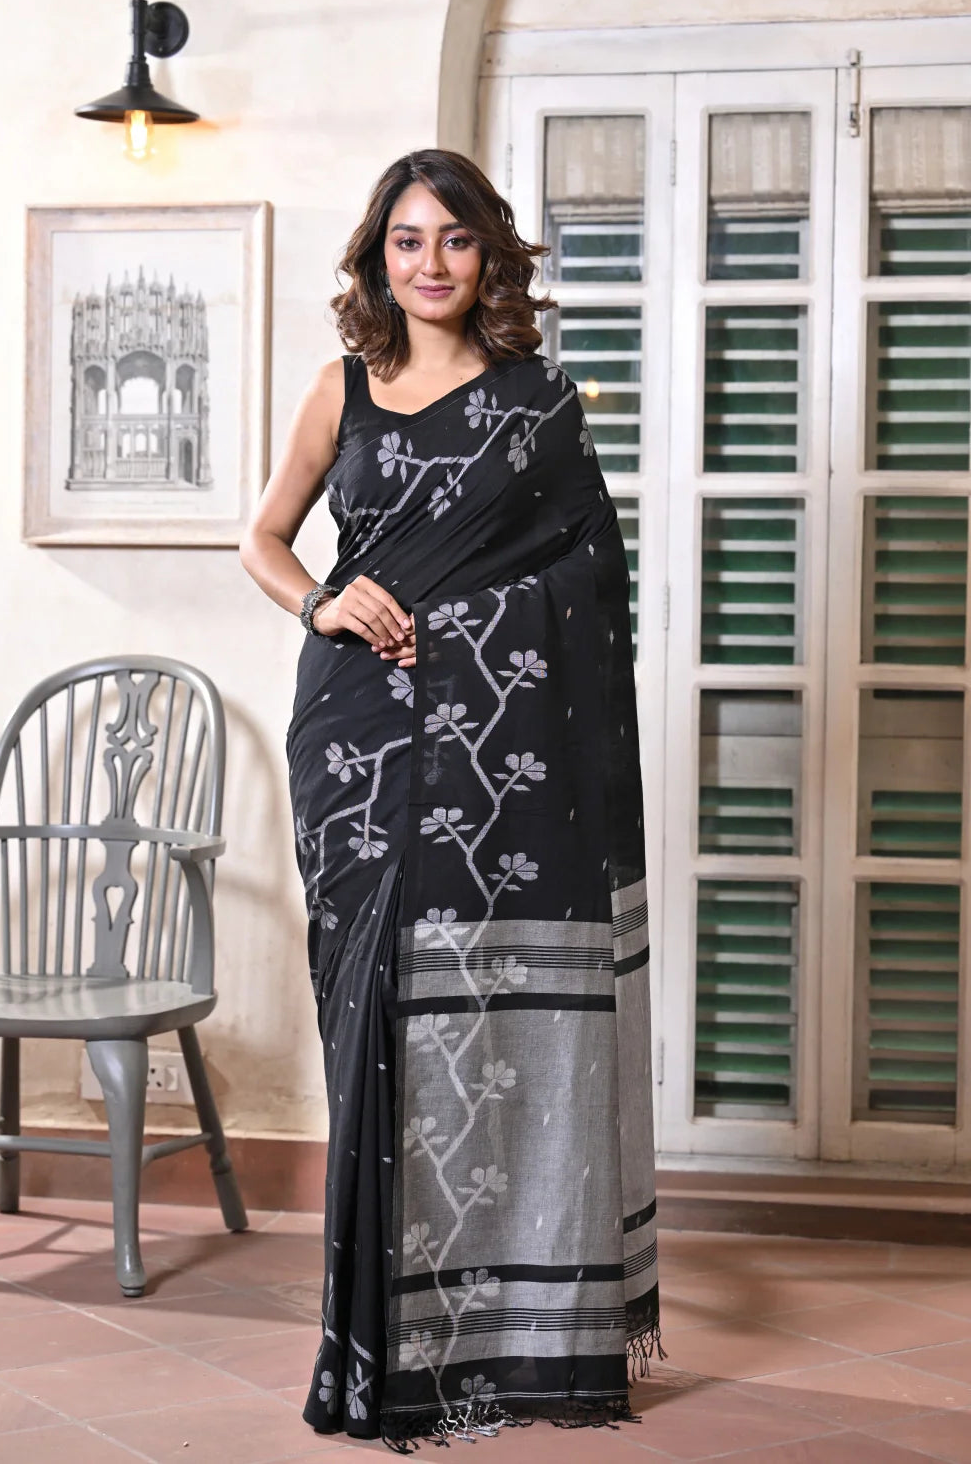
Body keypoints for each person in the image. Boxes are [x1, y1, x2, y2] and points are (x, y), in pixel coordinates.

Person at [239, 148, 661, 1453]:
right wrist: (324, 600)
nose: (431, 263)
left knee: (481, 1025)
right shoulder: (342, 390)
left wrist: (469, 629)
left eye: (456, 239)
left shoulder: (539, 404)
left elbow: (592, 580)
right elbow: (263, 539)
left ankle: (509, 1340)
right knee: (373, 1019)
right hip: (358, 745)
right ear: (379, 256)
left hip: (495, 744)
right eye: (408, 240)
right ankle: (382, 1350)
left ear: (491, 255)